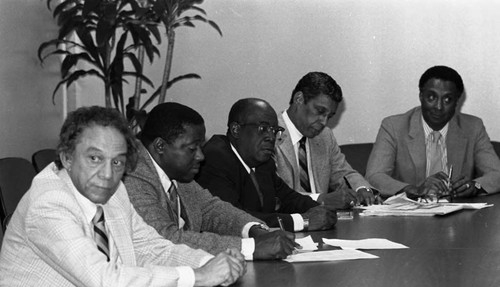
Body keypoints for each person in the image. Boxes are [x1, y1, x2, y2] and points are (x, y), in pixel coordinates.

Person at [0, 106, 246, 287]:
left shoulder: (114, 191)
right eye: (95, 158)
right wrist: (200, 275)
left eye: (117, 161)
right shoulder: (48, 203)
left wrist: (212, 262)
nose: (107, 174)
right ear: (67, 157)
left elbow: (151, 248)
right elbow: (105, 280)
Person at [123, 102, 297, 260]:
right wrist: (250, 247)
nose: (200, 155)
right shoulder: (134, 174)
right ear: (160, 146)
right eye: (192, 148)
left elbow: (211, 209)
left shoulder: (178, 174)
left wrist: (254, 230)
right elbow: (165, 239)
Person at [196, 98, 337, 232]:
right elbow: (234, 218)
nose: (271, 137)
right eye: (263, 128)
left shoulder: (263, 162)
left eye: (274, 130)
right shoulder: (214, 158)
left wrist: (322, 210)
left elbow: (289, 198)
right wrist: (303, 221)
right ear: (236, 130)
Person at [366, 65, 500, 198]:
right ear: (421, 96)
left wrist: (475, 186)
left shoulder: (473, 127)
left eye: (447, 99)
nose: (439, 106)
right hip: (409, 214)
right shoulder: (394, 126)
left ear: (457, 101)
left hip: (457, 212)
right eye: (431, 97)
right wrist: (413, 189)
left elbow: (497, 173)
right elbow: (374, 176)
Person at [275, 72, 378, 208]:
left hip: (322, 222)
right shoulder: (270, 134)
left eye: (329, 116)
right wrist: (321, 199)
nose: (324, 122)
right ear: (299, 99)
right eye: (319, 111)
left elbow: (343, 172)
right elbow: (275, 193)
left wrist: (362, 189)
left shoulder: (324, 136)